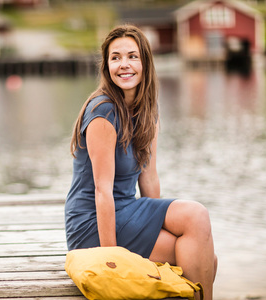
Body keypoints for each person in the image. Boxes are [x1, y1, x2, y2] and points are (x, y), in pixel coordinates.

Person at [64, 24, 217, 300]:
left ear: (145, 62)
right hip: (93, 223)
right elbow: (102, 191)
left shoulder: (148, 109)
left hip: (127, 210)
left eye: (132, 56)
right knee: (200, 255)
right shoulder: (103, 111)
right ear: (107, 66)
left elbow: (149, 177)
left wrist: (160, 226)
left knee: (203, 249)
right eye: (116, 57)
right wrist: (113, 260)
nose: (125, 65)